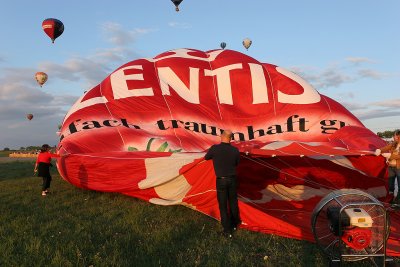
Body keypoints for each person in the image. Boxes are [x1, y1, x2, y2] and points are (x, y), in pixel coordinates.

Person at [205, 130, 241, 237]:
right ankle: (235, 224)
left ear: (222, 136)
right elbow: (237, 163)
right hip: (233, 179)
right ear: (231, 138)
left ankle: (227, 230)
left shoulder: (215, 149)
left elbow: (206, 157)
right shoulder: (235, 150)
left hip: (221, 180)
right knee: (233, 203)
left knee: (223, 205)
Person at [375, 130, 400, 207]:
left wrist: (389, 156)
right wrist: (380, 150)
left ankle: (398, 202)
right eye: (394, 136)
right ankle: (391, 200)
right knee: (391, 186)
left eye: (395, 136)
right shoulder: (394, 144)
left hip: (398, 168)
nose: (394, 137)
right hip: (391, 167)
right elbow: (387, 147)